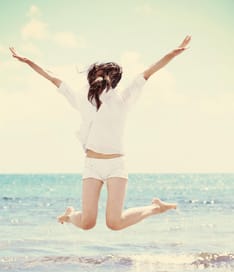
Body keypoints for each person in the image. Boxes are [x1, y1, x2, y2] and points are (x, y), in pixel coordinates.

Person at [10, 35, 191, 231]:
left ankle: (156, 208)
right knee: (88, 223)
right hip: (92, 165)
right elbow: (53, 78)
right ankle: (70, 216)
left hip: (116, 164)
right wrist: (28, 61)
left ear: (112, 80)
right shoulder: (81, 98)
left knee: (114, 223)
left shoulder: (124, 98)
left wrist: (172, 54)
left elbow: (148, 72)